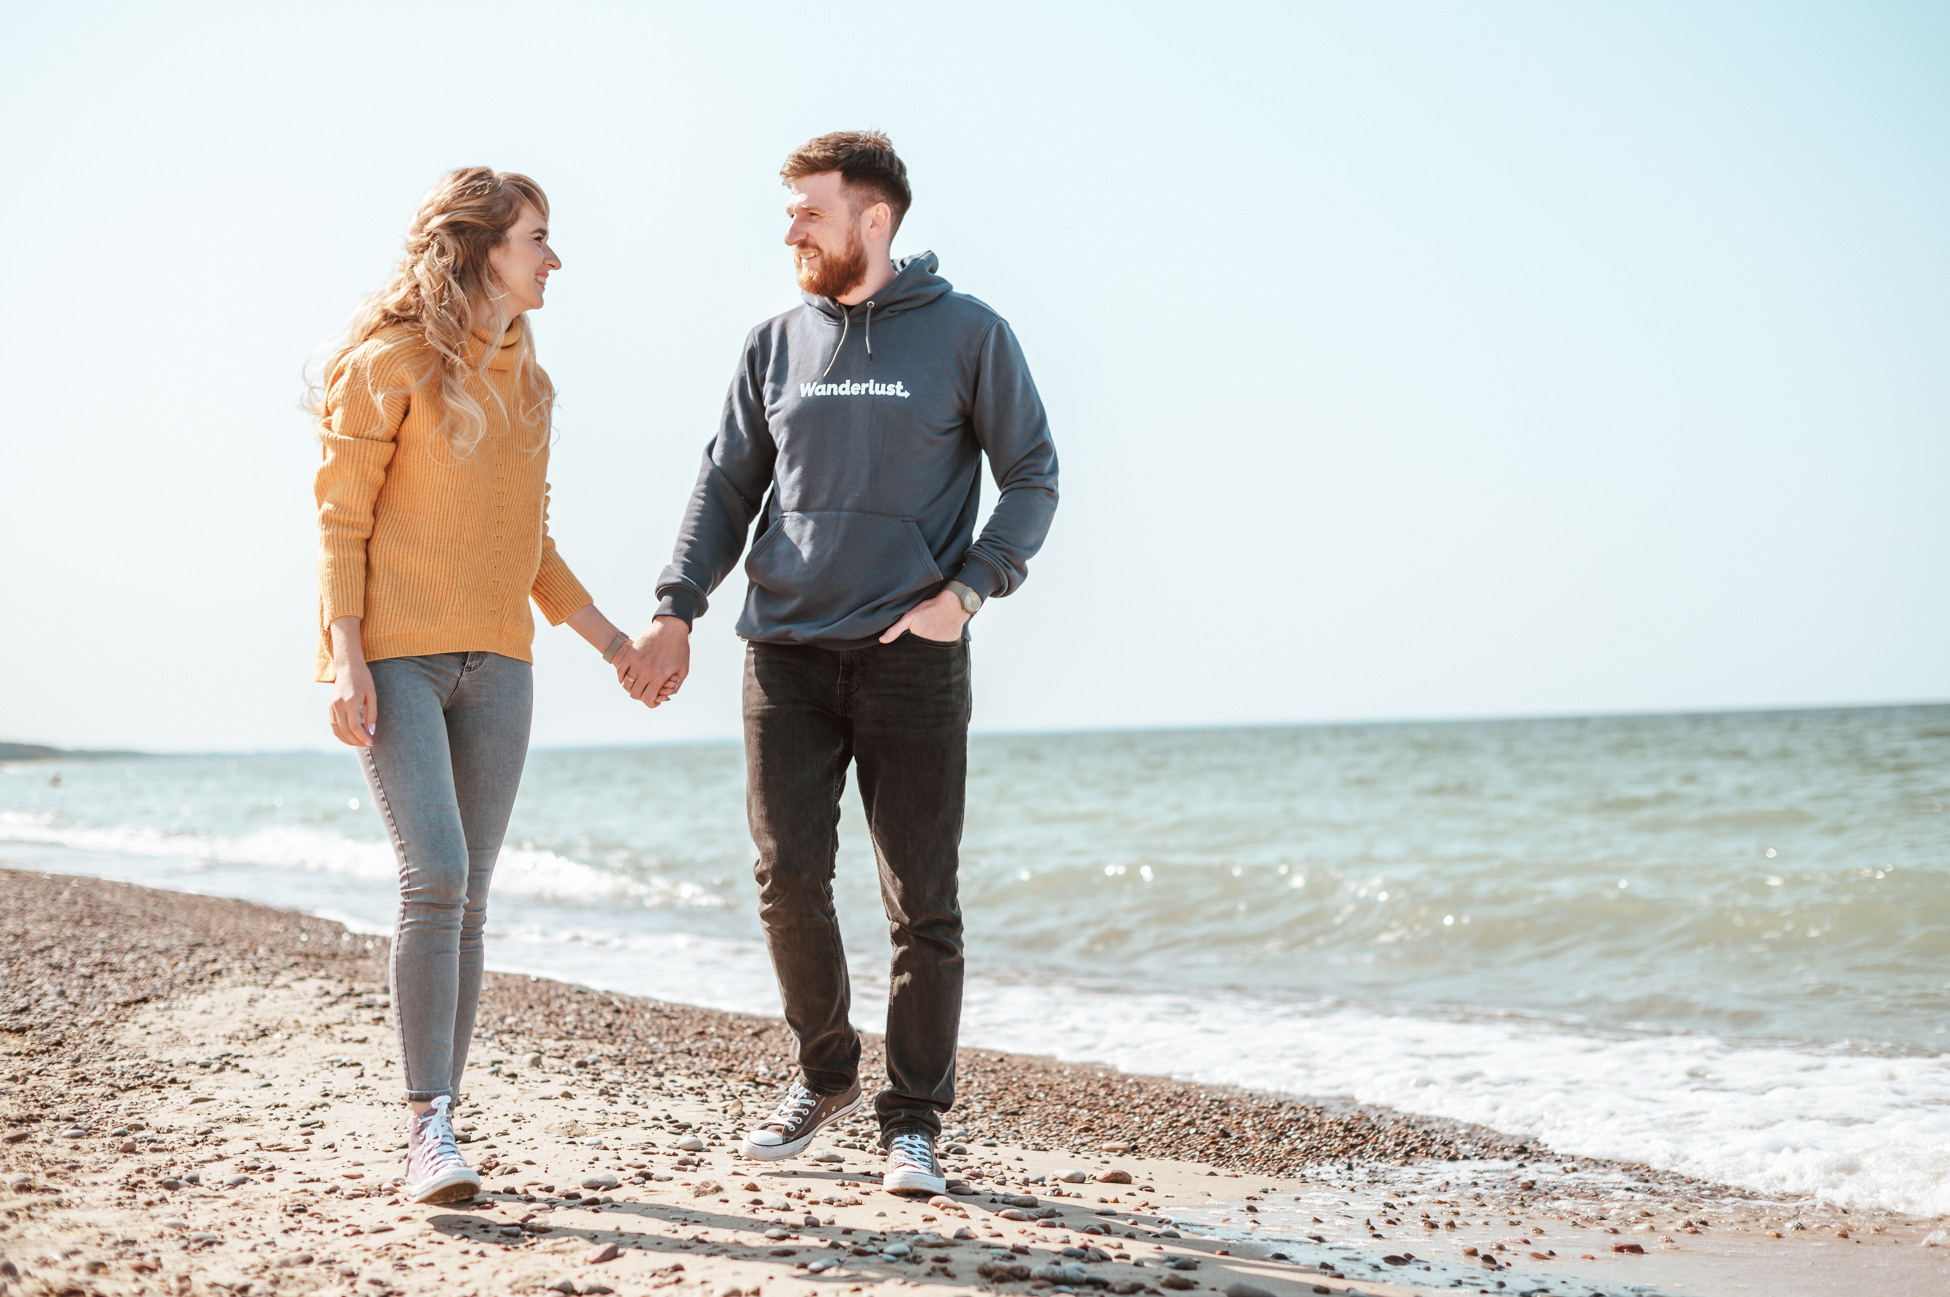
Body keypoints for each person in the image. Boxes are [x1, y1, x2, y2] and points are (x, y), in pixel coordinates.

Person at [623, 131, 1060, 1194]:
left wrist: (969, 591)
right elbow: (724, 485)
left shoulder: (968, 334)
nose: (789, 230)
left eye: (807, 210)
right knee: (787, 881)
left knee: (923, 900)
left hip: (912, 656)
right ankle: (826, 1073)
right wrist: (676, 607)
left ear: (875, 220)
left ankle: (913, 1120)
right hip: (784, 655)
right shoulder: (775, 342)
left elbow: (1034, 474)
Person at [310, 167, 659, 1204]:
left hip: (501, 663)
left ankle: (444, 1124)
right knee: (436, 876)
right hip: (399, 659)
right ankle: (426, 1129)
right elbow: (341, 520)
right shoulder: (386, 364)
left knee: (470, 899)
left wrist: (615, 645)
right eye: (538, 238)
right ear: (482, 249)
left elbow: (529, 547)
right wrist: (345, 652)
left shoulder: (533, 385)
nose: (555, 258)